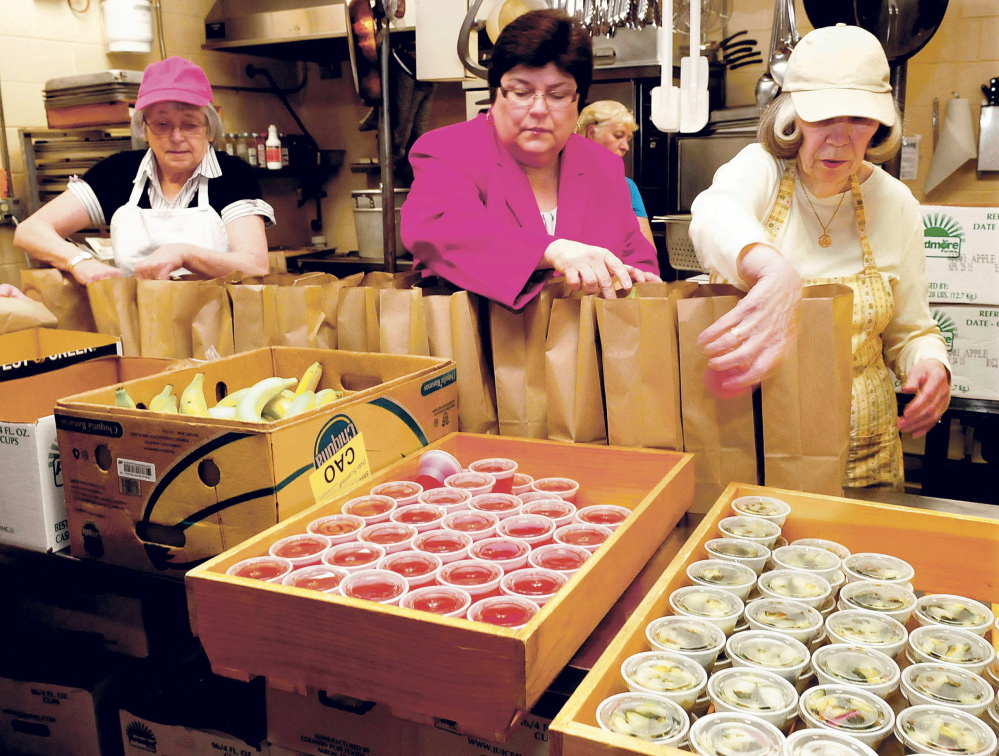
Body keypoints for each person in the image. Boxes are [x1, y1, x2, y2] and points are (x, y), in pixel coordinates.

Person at [689, 24, 950, 490]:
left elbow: (911, 330)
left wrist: (930, 364)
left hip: (860, 451)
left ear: (881, 123)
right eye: (822, 117)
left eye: (859, 120)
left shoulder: (895, 203)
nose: (840, 138)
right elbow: (714, 212)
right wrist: (770, 268)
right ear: (792, 115)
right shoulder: (761, 170)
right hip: (754, 443)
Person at [401, 9, 659, 310]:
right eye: (522, 92)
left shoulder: (603, 166)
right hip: (477, 345)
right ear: (496, 94)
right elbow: (440, 231)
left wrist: (638, 279)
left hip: (589, 348)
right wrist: (551, 250)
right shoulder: (447, 150)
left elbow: (636, 254)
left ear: (579, 102)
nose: (538, 109)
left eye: (558, 95)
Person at [14, 57, 275, 283]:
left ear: (209, 130)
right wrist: (79, 261)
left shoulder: (232, 175)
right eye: (162, 124)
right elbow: (30, 231)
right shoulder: (119, 172)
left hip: (217, 325)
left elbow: (254, 265)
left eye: (190, 125)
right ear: (144, 129)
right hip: (136, 321)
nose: (176, 137)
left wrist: (185, 254)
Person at [576, 100, 655, 245]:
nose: (625, 147)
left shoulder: (627, 186)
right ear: (591, 133)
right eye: (618, 136)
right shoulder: (559, 180)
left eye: (628, 139)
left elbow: (646, 249)